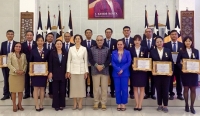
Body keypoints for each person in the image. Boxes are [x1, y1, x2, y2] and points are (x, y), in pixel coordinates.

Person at [150, 36, 174, 113]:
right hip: (157, 74)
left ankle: (165, 105)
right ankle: (159, 104)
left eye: (160, 41)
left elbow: (171, 62)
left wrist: (171, 71)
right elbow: (150, 62)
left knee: (166, 90)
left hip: (166, 74)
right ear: (155, 43)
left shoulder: (168, 50)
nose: (159, 43)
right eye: (157, 42)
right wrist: (152, 71)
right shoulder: (152, 51)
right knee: (158, 89)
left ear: (163, 42)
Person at [176, 36, 199, 114]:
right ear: (184, 42)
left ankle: (192, 106)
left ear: (191, 42)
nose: (188, 42)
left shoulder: (196, 51)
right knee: (186, 89)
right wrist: (182, 66)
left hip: (194, 74)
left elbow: (198, 62)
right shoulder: (181, 51)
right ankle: (186, 105)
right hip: (185, 73)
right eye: (186, 41)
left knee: (193, 89)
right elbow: (177, 62)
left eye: (189, 41)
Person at [88, 35, 111, 110]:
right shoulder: (91, 49)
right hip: (95, 71)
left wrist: (103, 66)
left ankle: (103, 103)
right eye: (98, 40)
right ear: (96, 41)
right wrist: (97, 66)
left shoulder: (107, 49)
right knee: (96, 88)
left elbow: (109, 60)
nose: (99, 41)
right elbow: (90, 59)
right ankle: (96, 103)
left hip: (105, 71)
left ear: (103, 41)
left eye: (101, 40)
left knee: (104, 88)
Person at [67, 34, 88, 110]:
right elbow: (69, 60)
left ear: (81, 40)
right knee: (74, 88)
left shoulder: (84, 49)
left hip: (81, 71)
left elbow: (85, 61)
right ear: (74, 40)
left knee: (81, 88)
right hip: (73, 70)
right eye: (76, 39)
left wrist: (86, 71)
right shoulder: (71, 48)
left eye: (79, 38)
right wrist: (68, 71)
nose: (77, 40)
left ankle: (80, 102)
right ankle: (75, 102)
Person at [29, 35, 49, 111]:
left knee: (42, 89)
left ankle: (41, 104)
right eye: (38, 41)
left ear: (44, 42)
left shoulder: (47, 51)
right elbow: (30, 62)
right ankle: (36, 104)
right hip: (35, 73)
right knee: (36, 88)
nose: (40, 42)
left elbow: (48, 62)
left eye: (41, 40)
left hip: (43, 73)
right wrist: (31, 72)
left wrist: (47, 71)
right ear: (36, 42)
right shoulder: (33, 51)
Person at [163, 30, 184, 100]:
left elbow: (183, 55)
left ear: (178, 36)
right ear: (170, 36)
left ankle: (179, 94)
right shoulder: (166, 45)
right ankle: (171, 93)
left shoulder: (182, 45)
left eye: (175, 34)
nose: (174, 36)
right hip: (170, 66)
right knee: (170, 80)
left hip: (178, 66)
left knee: (179, 80)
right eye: (172, 34)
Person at [112, 39, 131, 111]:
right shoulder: (113, 52)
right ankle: (118, 103)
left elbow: (129, 62)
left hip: (125, 73)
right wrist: (118, 69)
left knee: (124, 89)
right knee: (117, 89)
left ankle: (123, 103)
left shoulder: (127, 52)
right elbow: (112, 62)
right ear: (116, 45)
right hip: (116, 73)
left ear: (124, 45)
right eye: (118, 44)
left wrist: (122, 69)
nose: (119, 46)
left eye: (121, 44)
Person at [130, 35, 148, 111]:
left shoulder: (145, 49)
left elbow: (147, 60)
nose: (137, 42)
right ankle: (136, 104)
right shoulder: (130, 49)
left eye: (138, 40)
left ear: (141, 41)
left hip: (142, 72)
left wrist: (146, 67)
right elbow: (129, 59)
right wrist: (132, 64)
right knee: (135, 88)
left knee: (142, 88)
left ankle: (140, 104)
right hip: (134, 71)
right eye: (135, 40)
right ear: (133, 41)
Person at [48, 39, 68, 111]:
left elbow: (67, 64)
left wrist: (67, 72)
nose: (59, 45)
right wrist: (50, 72)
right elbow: (50, 63)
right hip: (55, 74)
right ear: (55, 45)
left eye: (60, 44)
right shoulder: (52, 53)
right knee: (55, 90)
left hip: (63, 74)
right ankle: (56, 105)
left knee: (62, 90)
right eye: (57, 44)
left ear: (62, 45)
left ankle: (62, 104)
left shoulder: (65, 53)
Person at [7, 42, 27, 112]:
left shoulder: (23, 55)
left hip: (21, 75)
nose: (18, 48)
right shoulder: (10, 55)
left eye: (19, 46)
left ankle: (20, 104)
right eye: (16, 46)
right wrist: (15, 71)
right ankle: (14, 105)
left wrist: (23, 71)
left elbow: (25, 64)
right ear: (14, 47)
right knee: (13, 91)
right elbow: (9, 64)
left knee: (20, 91)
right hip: (13, 75)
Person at [0, 30, 17, 100]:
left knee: (13, 79)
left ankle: (13, 93)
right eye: (9, 34)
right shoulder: (3, 44)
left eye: (11, 34)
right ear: (6, 35)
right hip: (5, 65)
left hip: (14, 65)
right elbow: (1, 54)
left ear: (13, 35)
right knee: (6, 79)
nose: (10, 35)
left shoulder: (16, 43)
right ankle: (6, 94)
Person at [141, 28, 156, 100]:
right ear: (145, 33)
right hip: (145, 64)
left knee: (153, 79)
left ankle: (152, 93)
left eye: (149, 32)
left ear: (152, 33)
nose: (148, 33)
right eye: (146, 32)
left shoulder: (155, 41)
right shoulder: (142, 42)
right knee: (145, 79)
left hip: (154, 64)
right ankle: (146, 93)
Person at [81, 29, 96, 98]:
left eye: (90, 33)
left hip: (92, 64)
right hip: (84, 63)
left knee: (92, 78)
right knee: (84, 78)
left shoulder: (95, 42)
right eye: (87, 33)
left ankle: (92, 92)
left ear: (92, 34)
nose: (88, 34)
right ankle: (84, 92)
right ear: (85, 34)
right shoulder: (82, 42)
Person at [22, 31, 37, 99]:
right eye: (27, 35)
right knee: (26, 79)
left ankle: (33, 93)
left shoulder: (36, 44)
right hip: (25, 64)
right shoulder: (22, 44)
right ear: (26, 36)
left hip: (34, 64)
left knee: (33, 79)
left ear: (33, 36)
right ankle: (27, 93)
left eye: (30, 35)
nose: (29, 36)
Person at [103, 28, 117, 98]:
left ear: (111, 33)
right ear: (105, 33)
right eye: (107, 32)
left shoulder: (115, 41)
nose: (108, 33)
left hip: (113, 64)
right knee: (104, 78)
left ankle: (112, 92)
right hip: (104, 63)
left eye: (109, 32)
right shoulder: (102, 41)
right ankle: (105, 91)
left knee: (112, 78)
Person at [121, 26, 134, 99]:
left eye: (127, 30)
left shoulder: (134, 40)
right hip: (123, 65)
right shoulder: (120, 41)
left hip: (132, 64)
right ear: (123, 32)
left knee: (132, 78)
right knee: (123, 79)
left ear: (130, 31)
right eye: (125, 30)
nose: (126, 32)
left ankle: (131, 92)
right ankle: (123, 92)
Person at [63, 32, 75, 97]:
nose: (67, 37)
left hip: (71, 65)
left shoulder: (74, 45)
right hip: (62, 66)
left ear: (70, 37)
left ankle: (70, 93)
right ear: (64, 37)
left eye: (68, 36)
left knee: (71, 80)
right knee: (64, 80)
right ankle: (64, 93)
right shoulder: (60, 45)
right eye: (66, 36)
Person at [43, 32, 55, 98]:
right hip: (43, 65)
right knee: (43, 79)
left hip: (52, 65)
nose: (50, 38)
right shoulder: (42, 45)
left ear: (53, 38)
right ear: (46, 37)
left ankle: (51, 92)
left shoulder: (55, 45)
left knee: (51, 79)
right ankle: (43, 92)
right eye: (49, 36)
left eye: (51, 37)